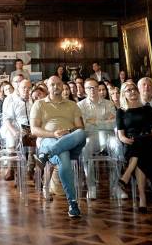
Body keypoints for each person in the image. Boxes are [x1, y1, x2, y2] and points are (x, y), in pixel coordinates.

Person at [31, 76, 87, 218]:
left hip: (70, 141)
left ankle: (45, 155)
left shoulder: (72, 105)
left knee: (81, 133)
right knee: (63, 155)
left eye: (58, 84)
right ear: (47, 87)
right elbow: (34, 130)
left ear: (62, 86)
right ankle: (73, 203)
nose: (55, 87)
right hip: (48, 139)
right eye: (52, 84)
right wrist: (53, 134)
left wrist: (68, 132)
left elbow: (80, 127)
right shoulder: (39, 104)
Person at [116, 81, 152, 212]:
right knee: (138, 149)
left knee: (140, 148)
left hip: (148, 142)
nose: (132, 91)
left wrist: (150, 135)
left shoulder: (147, 109)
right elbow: (121, 136)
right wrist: (128, 140)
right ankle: (142, 197)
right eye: (128, 90)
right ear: (123, 94)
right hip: (130, 144)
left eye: (134, 89)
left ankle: (128, 175)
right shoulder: (121, 111)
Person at [78, 77, 123, 200]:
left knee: (118, 147)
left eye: (95, 87)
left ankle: (115, 186)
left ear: (99, 88)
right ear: (85, 90)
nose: (92, 90)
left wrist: (94, 121)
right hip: (91, 137)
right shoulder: (80, 105)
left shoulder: (109, 104)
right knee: (85, 148)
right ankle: (91, 186)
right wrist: (104, 121)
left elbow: (114, 123)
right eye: (89, 88)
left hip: (108, 136)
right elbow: (84, 125)